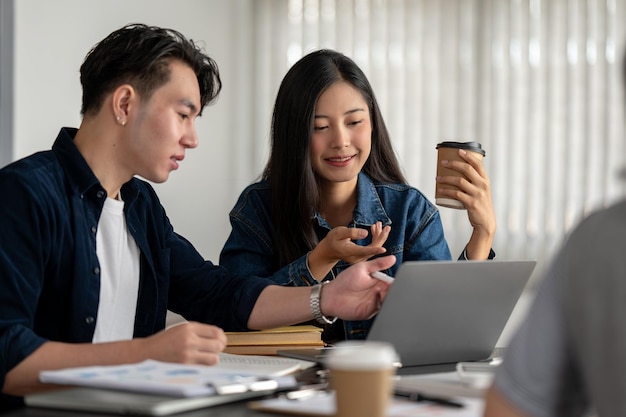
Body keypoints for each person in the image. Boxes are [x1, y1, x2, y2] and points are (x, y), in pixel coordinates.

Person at [0, 24, 396, 409]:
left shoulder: (142, 207)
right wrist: (146, 354)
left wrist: (327, 296)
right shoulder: (24, 195)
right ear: (124, 104)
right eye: (183, 115)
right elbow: (7, 357)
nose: (192, 138)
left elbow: (218, 294)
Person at [219, 49, 496, 341]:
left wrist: (483, 233)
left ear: (373, 123)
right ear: (294, 133)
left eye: (354, 123)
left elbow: (446, 332)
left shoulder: (409, 211)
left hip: (384, 383)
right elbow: (233, 315)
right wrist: (319, 260)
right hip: (292, 382)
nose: (341, 141)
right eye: (320, 127)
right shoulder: (259, 209)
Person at [483, 52, 626, 417]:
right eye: (322, 126)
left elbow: (506, 407)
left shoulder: (596, 242)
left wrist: (481, 237)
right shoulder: (595, 244)